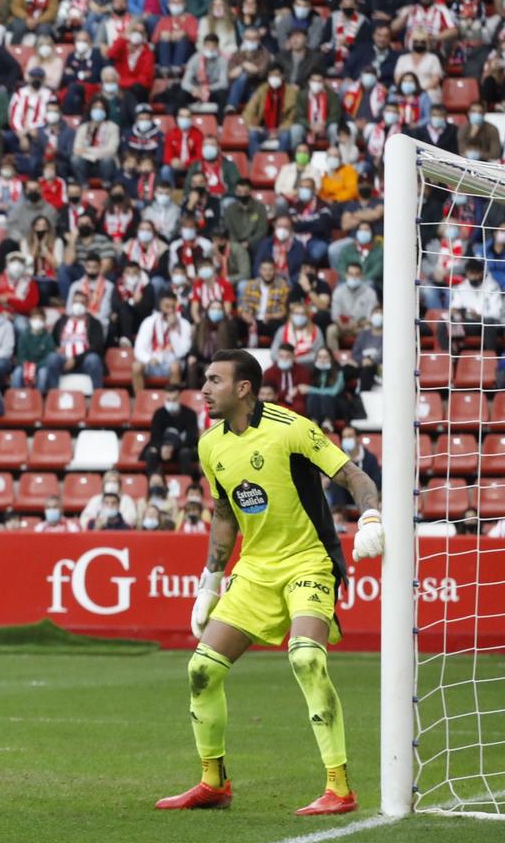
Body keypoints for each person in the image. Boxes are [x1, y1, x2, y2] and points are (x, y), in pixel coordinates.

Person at [164, 350, 383, 817]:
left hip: (309, 561)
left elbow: (352, 474)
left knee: (306, 657)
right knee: (201, 670)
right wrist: (211, 580)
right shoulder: (210, 445)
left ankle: (339, 788)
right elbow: (224, 513)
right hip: (256, 570)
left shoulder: (291, 429)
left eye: (214, 380)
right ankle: (212, 782)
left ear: (244, 388)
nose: (203, 389)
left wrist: (369, 516)